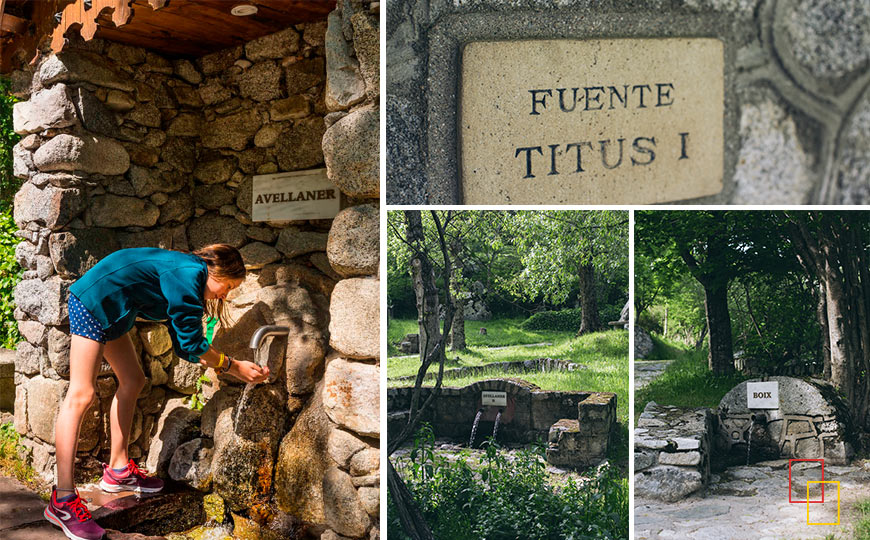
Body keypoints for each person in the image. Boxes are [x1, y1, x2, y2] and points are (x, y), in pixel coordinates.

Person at [44, 244, 270, 540]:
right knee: (82, 393)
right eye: (227, 287)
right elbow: (191, 345)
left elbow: (184, 344)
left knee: (133, 380)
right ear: (215, 271)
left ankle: (118, 471)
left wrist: (221, 363)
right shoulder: (188, 277)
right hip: (93, 303)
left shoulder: (190, 277)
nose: (224, 295)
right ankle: (62, 500)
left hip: (114, 308)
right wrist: (231, 365)